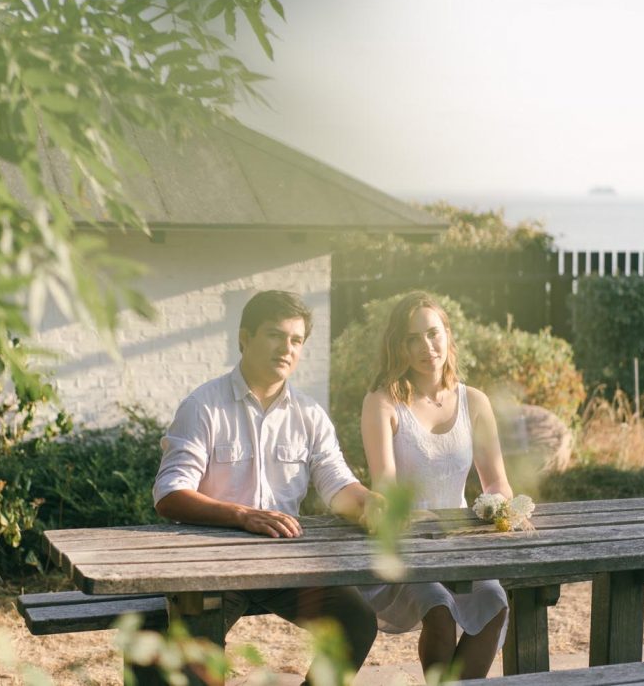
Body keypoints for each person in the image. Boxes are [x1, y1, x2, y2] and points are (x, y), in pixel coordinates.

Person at [153, 290, 381, 684]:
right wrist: (242, 515)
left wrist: (368, 501)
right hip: (212, 566)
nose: (287, 348)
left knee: (356, 622)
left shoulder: (310, 414)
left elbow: (337, 484)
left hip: (285, 564)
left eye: (296, 340)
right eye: (276, 335)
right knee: (180, 659)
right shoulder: (203, 406)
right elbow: (170, 495)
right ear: (244, 338)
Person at [360, 292, 517, 681]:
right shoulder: (382, 403)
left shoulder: (474, 402)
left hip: (463, 542)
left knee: (495, 604)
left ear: (447, 334)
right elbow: (385, 485)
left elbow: (496, 481)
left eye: (433, 333)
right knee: (440, 608)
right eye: (412, 339)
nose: (425, 347)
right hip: (405, 543)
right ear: (398, 346)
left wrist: (496, 507)